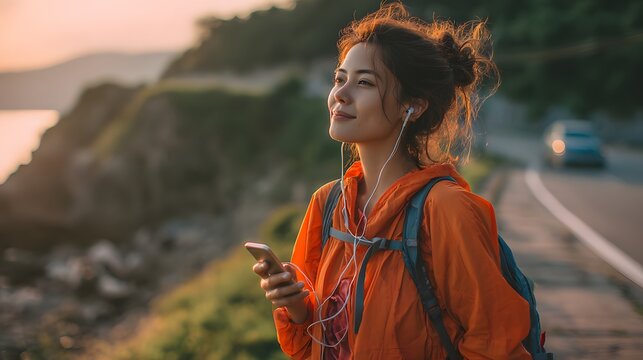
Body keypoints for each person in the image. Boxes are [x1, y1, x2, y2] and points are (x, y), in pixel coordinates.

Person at [252, 2, 531, 359]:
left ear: (411, 106)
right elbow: (312, 347)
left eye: (364, 82)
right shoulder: (329, 204)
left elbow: (495, 344)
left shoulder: (445, 209)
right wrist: (296, 305)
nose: (340, 93)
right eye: (339, 78)